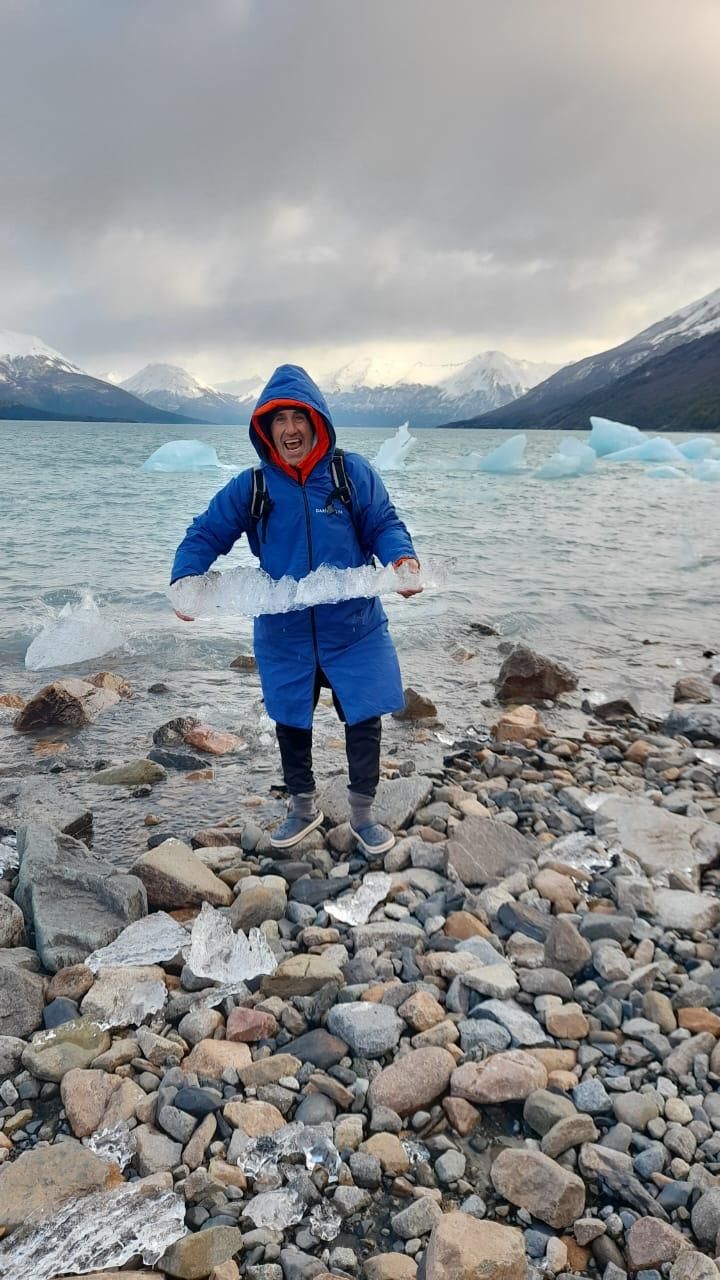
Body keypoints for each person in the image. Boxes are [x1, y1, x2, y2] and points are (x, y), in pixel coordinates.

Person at [171, 363, 420, 855]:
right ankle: (303, 808)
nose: (289, 428)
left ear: (316, 422)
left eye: (298, 417)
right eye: (278, 419)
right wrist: (185, 580)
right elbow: (206, 532)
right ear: (266, 429)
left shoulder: (351, 475)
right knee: (290, 721)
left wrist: (402, 559)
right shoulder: (254, 487)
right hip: (284, 633)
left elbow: (384, 524)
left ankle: (364, 816)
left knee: (365, 718)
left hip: (354, 629)